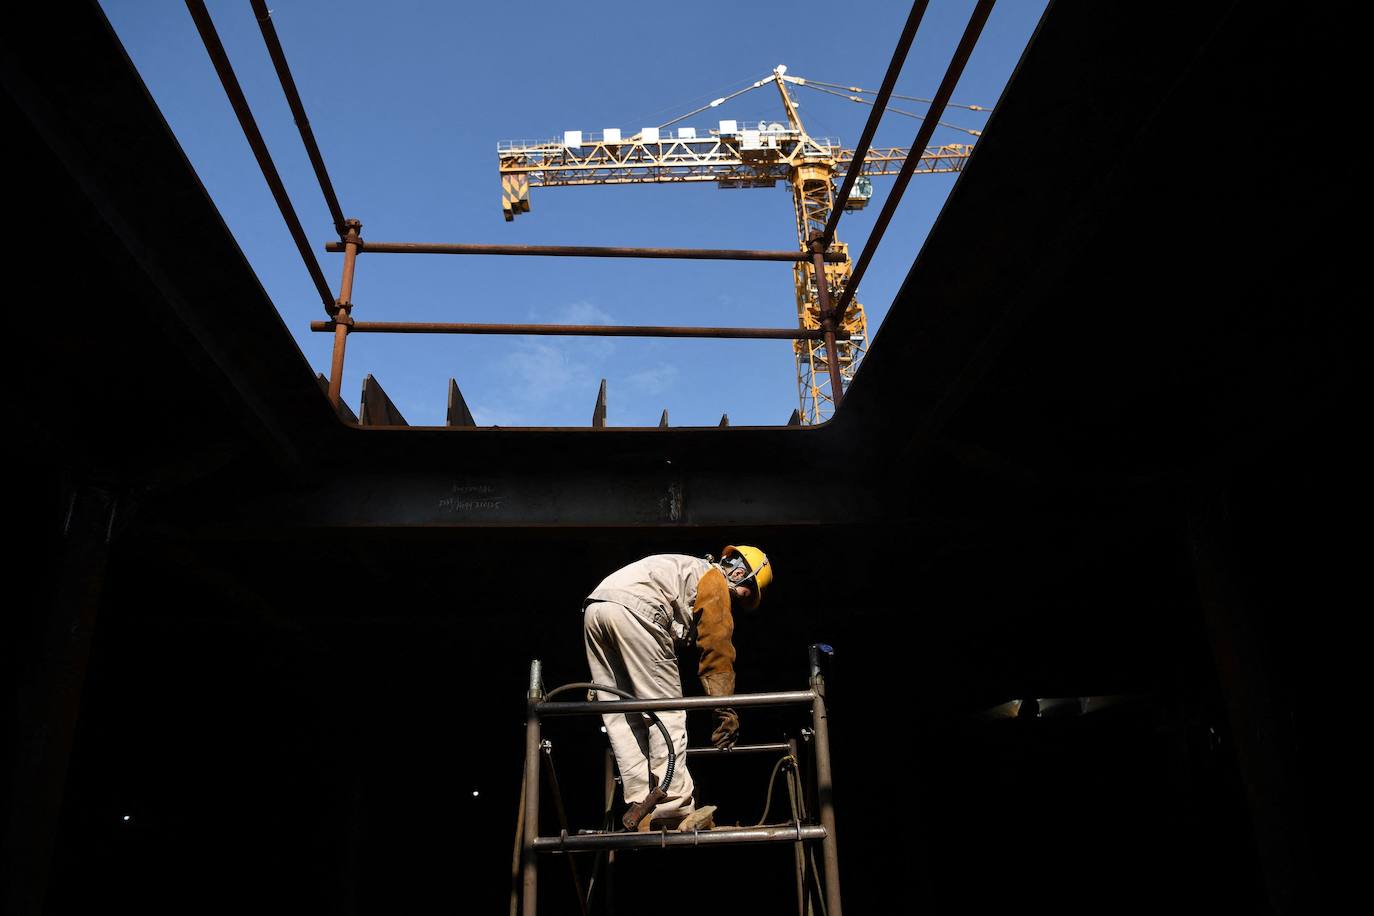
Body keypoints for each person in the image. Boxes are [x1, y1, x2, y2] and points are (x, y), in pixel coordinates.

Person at [583, 546, 772, 831]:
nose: (742, 603)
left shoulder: (688, 569)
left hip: (597, 607)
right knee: (667, 712)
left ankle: (641, 804)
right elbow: (717, 650)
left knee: (623, 714)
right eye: (748, 592)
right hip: (639, 609)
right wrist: (724, 710)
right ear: (740, 573)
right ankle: (674, 809)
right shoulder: (716, 580)